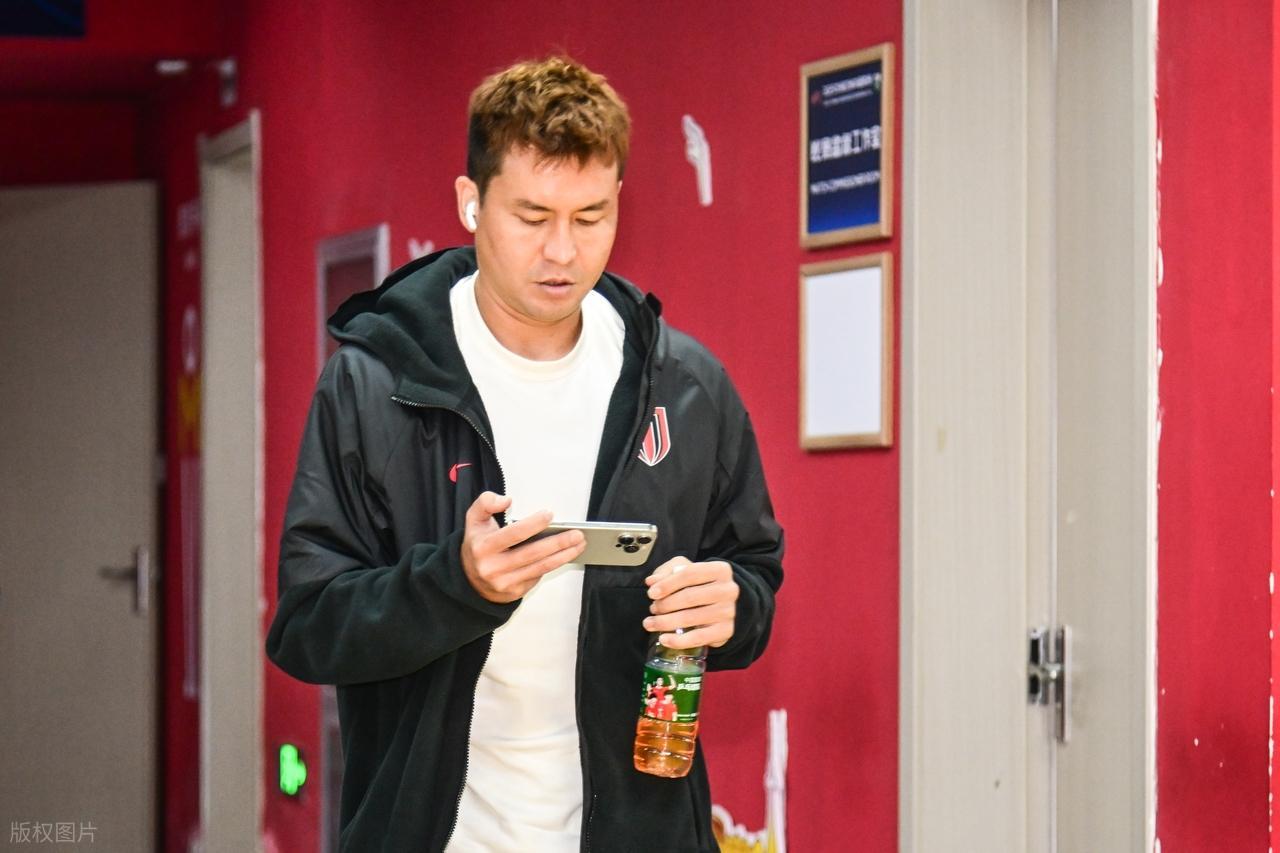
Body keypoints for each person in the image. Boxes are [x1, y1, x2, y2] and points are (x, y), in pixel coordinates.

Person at [266, 55, 784, 852]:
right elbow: (307, 626)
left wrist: (733, 606)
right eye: (533, 216)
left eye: (591, 216)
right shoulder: (375, 385)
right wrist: (455, 584)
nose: (562, 252)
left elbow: (753, 573)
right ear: (470, 202)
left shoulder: (684, 386)